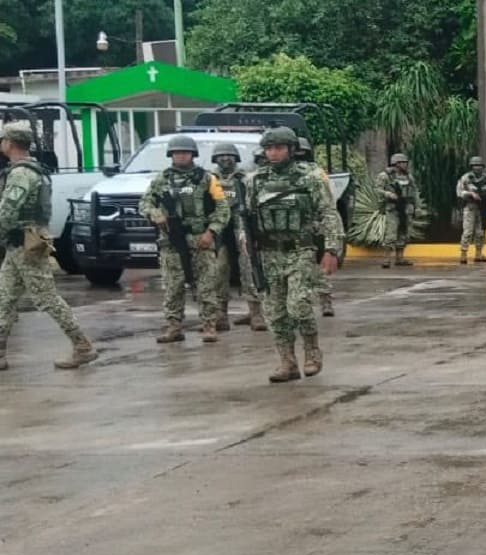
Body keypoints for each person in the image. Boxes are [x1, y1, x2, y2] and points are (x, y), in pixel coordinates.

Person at [0, 121, 97, 371]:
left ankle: (82, 346)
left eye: (3, 140)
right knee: (4, 298)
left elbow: (8, 211)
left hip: (26, 245)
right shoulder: (33, 169)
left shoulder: (21, 173)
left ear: (10, 143)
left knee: (47, 299)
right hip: (18, 245)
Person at [250, 127, 343, 382]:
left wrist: (331, 249)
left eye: (279, 148)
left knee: (298, 305)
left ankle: (312, 352)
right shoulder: (255, 180)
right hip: (269, 253)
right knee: (275, 312)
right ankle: (287, 362)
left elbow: (328, 213)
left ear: (291, 149)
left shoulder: (310, 177)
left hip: (300, 250)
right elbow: (245, 217)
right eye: (269, 148)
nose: (273, 153)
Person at [139, 134, 231, 345]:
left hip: (201, 240)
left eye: (185, 152)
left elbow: (223, 209)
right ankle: (174, 326)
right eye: (177, 153)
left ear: (193, 154)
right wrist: (155, 214)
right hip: (171, 241)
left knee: (206, 285)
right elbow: (144, 203)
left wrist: (211, 232)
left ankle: (209, 325)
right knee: (173, 286)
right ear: (171, 155)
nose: (181, 156)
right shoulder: (161, 179)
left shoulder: (207, 178)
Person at [208, 142, 265, 332]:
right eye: (221, 155)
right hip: (220, 231)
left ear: (236, 158)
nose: (225, 159)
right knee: (219, 271)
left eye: (229, 155)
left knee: (249, 269)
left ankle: (255, 313)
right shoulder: (209, 178)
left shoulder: (245, 178)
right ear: (215, 159)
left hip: (242, 229)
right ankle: (220, 314)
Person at [294, 137, 337, 320]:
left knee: (320, 266)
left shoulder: (317, 174)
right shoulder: (288, 174)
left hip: (315, 226)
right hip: (295, 227)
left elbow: (327, 202)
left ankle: (325, 299)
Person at [373, 153, 418, 268]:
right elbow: (377, 189)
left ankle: (400, 258)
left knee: (403, 233)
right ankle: (387, 259)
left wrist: (416, 207)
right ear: (396, 163)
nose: (405, 165)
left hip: (406, 208)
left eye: (406, 163)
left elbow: (414, 193)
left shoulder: (408, 177)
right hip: (393, 208)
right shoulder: (385, 176)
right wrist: (388, 194)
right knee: (391, 234)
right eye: (403, 162)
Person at [456, 155, 486, 265]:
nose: (477, 168)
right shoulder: (466, 178)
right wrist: (470, 194)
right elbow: (459, 192)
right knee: (468, 231)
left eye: (479, 166)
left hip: (483, 208)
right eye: (475, 166)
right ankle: (463, 254)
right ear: (471, 167)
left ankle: (478, 253)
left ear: (483, 167)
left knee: (481, 232)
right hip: (470, 207)